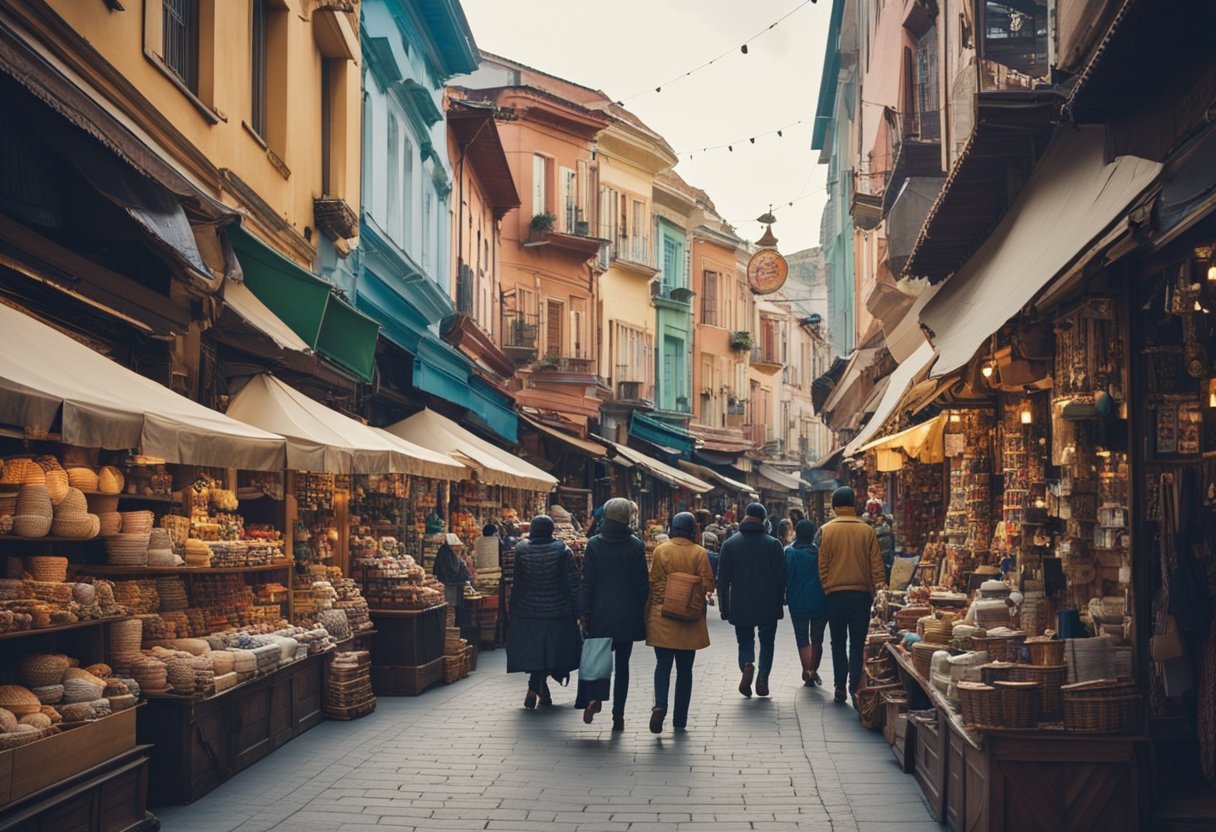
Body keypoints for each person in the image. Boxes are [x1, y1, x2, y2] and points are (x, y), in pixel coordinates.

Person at [578, 498, 649, 730]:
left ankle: (595, 699)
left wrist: (584, 611)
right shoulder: (635, 545)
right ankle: (618, 715)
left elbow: (587, 582)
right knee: (623, 665)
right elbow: (642, 585)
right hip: (627, 614)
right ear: (628, 517)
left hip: (600, 612)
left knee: (600, 659)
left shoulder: (595, 544)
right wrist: (644, 609)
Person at [645, 512, 715, 734]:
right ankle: (680, 719)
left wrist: (662, 603)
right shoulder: (699, 553)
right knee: (685, 671)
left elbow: (654, 582)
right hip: (689, 620)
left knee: (663, 666)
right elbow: (707, 584)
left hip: (663, 618)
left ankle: (660, 706)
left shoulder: (661, 551)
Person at [818, 487, 886, 706]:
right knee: (856, 643)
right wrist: (880, 590)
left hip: (835, 595)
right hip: (861, 595)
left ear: (835, 506)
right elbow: (876, 565)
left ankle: (839, 686)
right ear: (853, 505)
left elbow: (822, 565)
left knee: (837, 642)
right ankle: (854, 686)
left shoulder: (826, 531)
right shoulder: (867, 531)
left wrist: (827, 586)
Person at [506, 515, 582, 709]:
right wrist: (579, 611)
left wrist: (513, 609)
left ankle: (536, 689)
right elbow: (572, 583)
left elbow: (518, 582)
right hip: (557, 611)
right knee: (551, 651)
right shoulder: (562, 551)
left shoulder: (521, 550)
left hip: (528, 610)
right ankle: (536, 689)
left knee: (537, 651)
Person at [717, 502, 787, 698]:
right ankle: (762, 678)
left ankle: (747, 664)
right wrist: (780, 601)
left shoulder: (730, 544)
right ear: (763, 520)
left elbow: (722, 580)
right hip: (768, 603)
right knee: (767, 642)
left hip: (740, 603)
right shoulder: (773, 544)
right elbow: (782, 577)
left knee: (745, 641)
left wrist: (724, 607)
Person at [785, 519, 827, 686]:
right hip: (819, 599)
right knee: (817, 637)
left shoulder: (789, 552)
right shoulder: (819, 552)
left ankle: (806, 671)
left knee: (802, 636)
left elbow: (784, 576)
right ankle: (813, 670)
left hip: (797, 599)